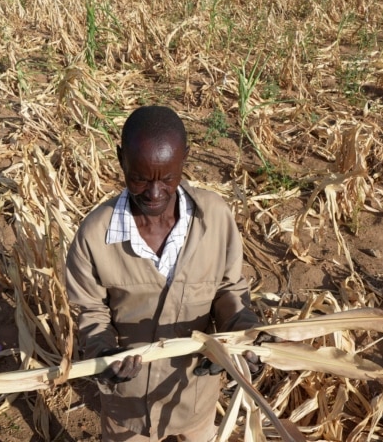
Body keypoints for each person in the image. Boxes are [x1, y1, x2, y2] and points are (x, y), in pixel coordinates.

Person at [65, 105, 259, 442]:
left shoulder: (215, 218)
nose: (154, 194)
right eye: (139, 178)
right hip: (126, 408)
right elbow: (91, 311)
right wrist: (104, 354)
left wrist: (241, 340)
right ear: (120, 160)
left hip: (193, 397)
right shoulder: (95, 236)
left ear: (185, 159)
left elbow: (228, 290)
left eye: (168, 178)